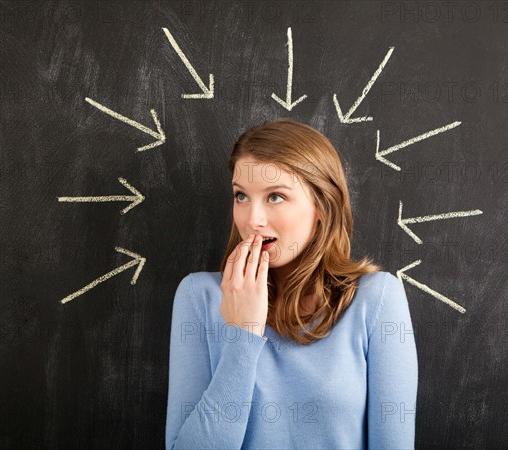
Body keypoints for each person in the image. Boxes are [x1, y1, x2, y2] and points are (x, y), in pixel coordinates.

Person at [165, 119, 418, 449]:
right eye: (241, 196)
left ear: (322, 207)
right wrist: (243, 335)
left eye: (275, 197)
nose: (252, 219)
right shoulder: (199, 297)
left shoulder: (377, 299)